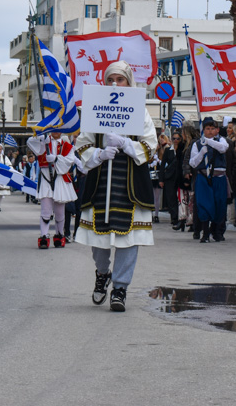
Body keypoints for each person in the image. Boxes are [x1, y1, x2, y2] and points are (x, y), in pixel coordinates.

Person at [75, 61, 156, 312]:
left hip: (130, 185)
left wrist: (126, 144)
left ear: (129, 83)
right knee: (98, 241)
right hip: (101, 183)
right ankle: (102, 273)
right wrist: (99, 154)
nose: (115, 84)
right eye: (110, 79)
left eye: (120, 79)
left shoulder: (141, 111)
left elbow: (150, 147)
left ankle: (120, 288)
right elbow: (82, 145)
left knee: (129, 241)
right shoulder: (94, 109)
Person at [26, 131, 80, 248]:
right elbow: (30, 142)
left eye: (58, 129)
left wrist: (56, 159)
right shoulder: (45, 141)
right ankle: (44, 236)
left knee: (60, 211)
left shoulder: (68, 146)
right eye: (54, 129)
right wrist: (41, 140)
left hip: (60, 179)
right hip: (46, 178)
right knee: (46, 210)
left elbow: (68, 162)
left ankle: (60, 235)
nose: (56, 131)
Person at [190, 117, 229, 243]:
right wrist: (201, 153)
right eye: (207, 129)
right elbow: (193, 163)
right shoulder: (197, 144)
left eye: (213, 129)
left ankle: (217, 231)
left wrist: (209, 142)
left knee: (220, 204)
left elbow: (223, 148)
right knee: (204, 205)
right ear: (203, 129)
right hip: (204, 177)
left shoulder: (221, 140)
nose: (210, 131)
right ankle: (205, 232)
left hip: (219, 177)